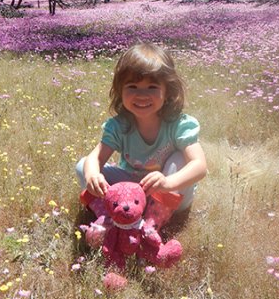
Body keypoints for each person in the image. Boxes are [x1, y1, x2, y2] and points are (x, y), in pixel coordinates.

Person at [76, 42, 207, 247]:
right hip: (132, 188)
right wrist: (94, 176)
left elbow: (200, 166)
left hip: (170, 193)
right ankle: (111, 215)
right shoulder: (120, 125)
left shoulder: (178, 125)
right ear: (120, 91)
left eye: (152, 87)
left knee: (181, 158)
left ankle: (152, 222)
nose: (142, 95)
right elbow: (95, 157)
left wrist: (167, 183)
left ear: (168, 91)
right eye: (132, 87)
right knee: (83, 166)